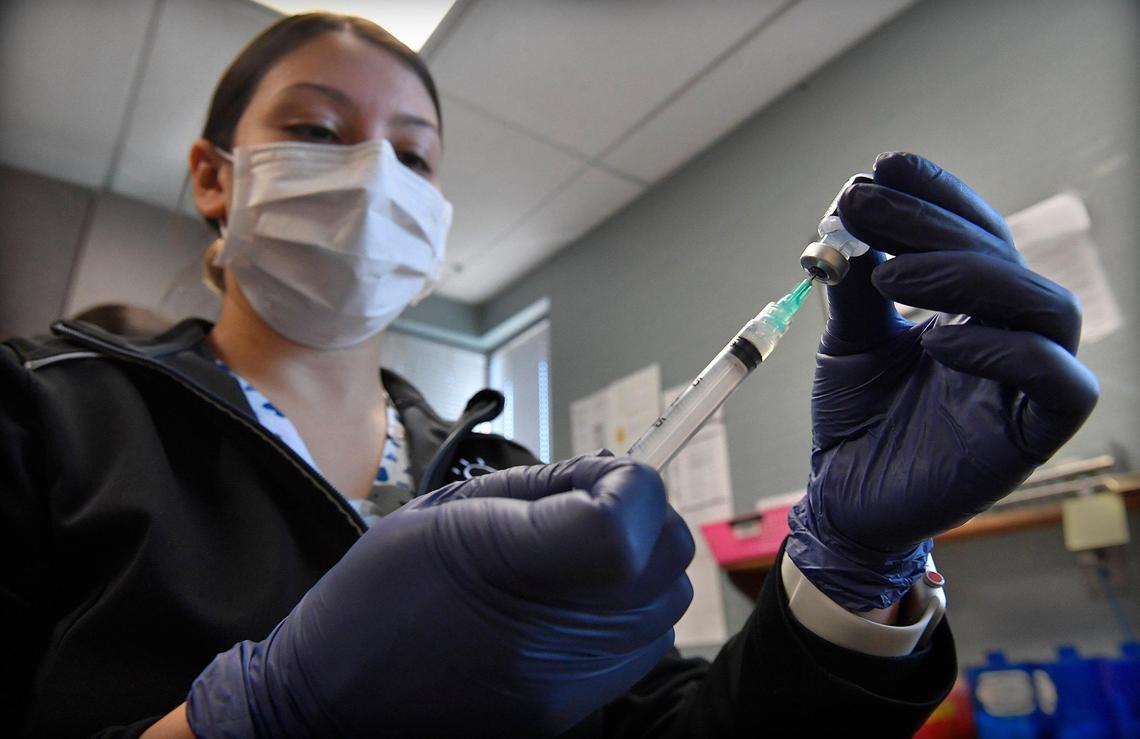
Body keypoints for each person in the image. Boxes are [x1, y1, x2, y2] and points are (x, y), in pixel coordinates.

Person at [0, 13, 1098, 739]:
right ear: (213, 175)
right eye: (318, 130)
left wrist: (850, 571)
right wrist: (257, 716)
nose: (375, 176)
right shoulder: (46, 416)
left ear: (434, 215)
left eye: (413, 155)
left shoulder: (504, 474)